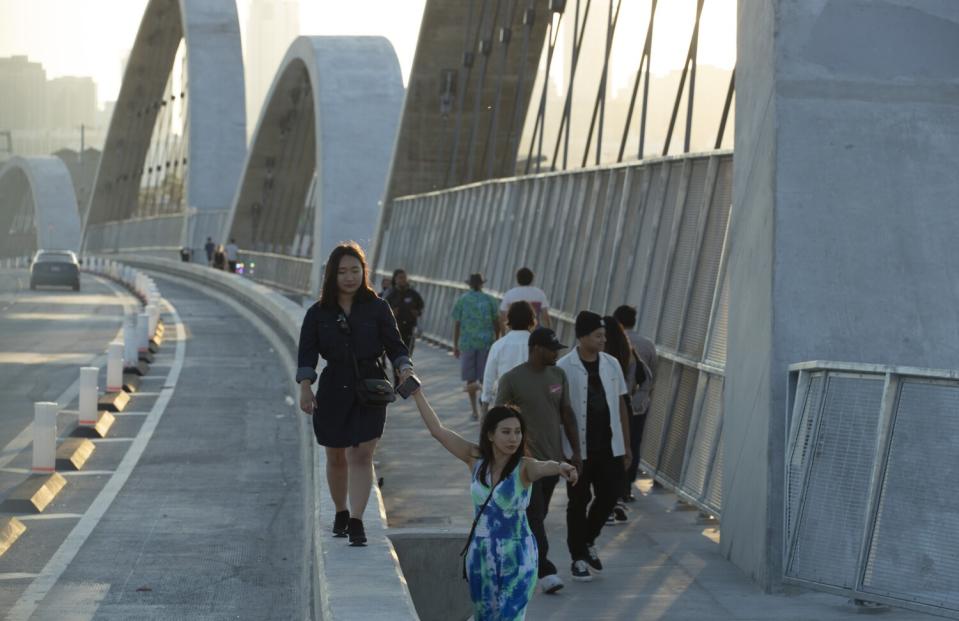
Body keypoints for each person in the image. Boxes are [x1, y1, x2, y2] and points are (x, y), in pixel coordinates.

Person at [410, 387, 578, 620]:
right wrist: (417, 393)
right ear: (490, 435)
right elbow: (438, 431)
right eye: (506, 432)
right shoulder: (474, 458)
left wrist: (561, 466)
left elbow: (544, 465)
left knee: (510, 616)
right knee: (485, 616)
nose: (513, 438)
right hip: (481, 553)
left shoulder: (524, 467)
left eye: (518, 432)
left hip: (518, 555)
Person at [297, 242, 414, 546]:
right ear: (331, 275)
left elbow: (396, 345)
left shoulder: (377, 307)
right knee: (336, 456)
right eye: (342, 271)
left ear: (364, 271)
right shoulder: (318, 313)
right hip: (334, 387)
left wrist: (404, 368)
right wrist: (305, 387)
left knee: (362, 454)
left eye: (355, 270)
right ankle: (340, 511)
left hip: (370, 387)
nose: (349, 277)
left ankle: (358, 520)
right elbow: (307, 354)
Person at [495, 327, 583, 595]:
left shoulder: (558, 375)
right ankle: (546, 570)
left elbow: (566, 413)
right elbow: (498, 419)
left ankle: (517, 560)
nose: (556, 353)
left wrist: (576, 452)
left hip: (553, 461)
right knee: (534, 516)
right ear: (535, 349)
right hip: (525, 464)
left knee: (537, 517)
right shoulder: (512, 379)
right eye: (551, 349)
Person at [557, 311, 631, 582]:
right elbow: (559, 410)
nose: (603, 340)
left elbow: (621, 404)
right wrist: (560, 449)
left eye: (604, 336)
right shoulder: (564, 367)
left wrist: (627, 445)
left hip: (610, 447)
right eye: (598, 336)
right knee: (578, 502)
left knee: (611, 495)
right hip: (578, 450)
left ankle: (587, 540)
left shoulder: (611, 364)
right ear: (583, 336)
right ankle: (577, 556)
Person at [612, 304, 657, 500]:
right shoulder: (647, 344)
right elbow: (652, 374)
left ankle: (614, 484)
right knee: (634, 443)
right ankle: (627, 486)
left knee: (617, 443)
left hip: (616, 403)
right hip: (638, 404)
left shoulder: (611, 342)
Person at [452, 273, 501, 420]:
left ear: (469, 285)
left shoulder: (462, 300)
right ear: (482, 284)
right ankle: (484, 407)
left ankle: (474, 411)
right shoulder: (490, 300)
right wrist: (497, 339)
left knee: (470, 379)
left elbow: (457, 324)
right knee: (485, 377)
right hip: (486, 343)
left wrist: (455, 344)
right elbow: (497, 323)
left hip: (467, 343)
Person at [601, 315, 634, 524]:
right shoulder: (626, 354)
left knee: (606, 457)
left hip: (607, 407)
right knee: (621, 454)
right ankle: (619, 498)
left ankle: (610, 504)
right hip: (626, 404)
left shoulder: (603, 360)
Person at [480, 301, 535, 410]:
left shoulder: (498, 345)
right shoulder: (537, 345)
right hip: (532, 403)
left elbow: (489, 378)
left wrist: (484, 406)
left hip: (504, 402)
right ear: (531, 320)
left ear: (509, 320)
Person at [385, 269, 425, 356]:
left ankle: (406, 366)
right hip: (395, 328)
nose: (403, 280)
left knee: (408, 351)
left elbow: (421, 305)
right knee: (396, 350)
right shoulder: (391, 294)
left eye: (404, 277)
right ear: (395, 279)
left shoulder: (413, 294)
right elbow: (383, 310)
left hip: (410, 327)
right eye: (400, 278)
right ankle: (397, 368)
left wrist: (417, 312)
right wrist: (390, 313)